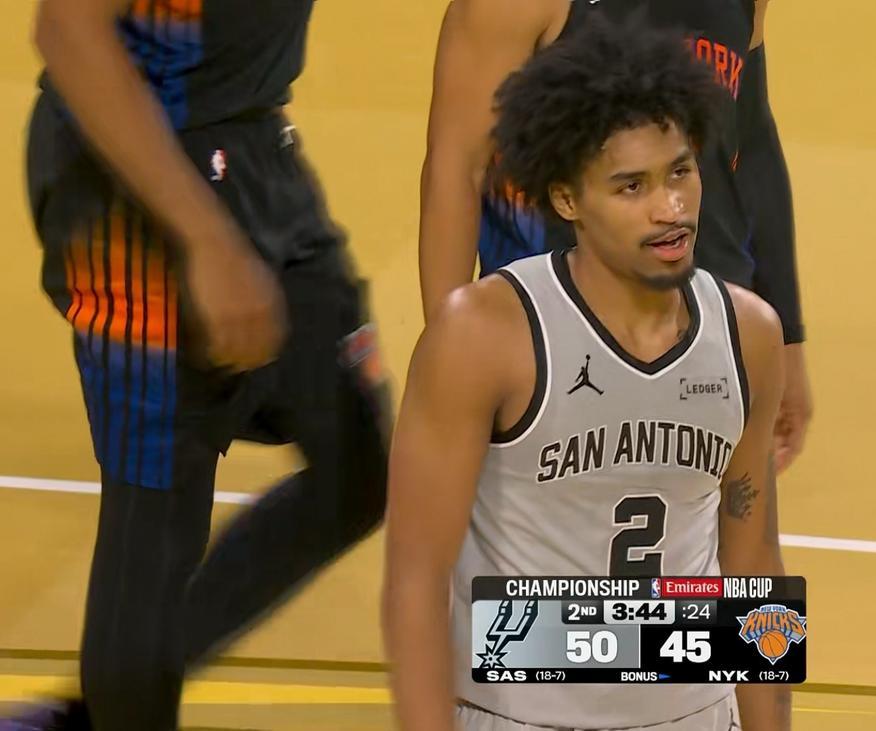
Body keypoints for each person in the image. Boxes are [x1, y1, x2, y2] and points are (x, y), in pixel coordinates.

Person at [383, 17, 791, 730]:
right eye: (631, 186)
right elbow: (415, 583)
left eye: (680, 172)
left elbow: (752, 561)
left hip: (694, 711)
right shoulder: (484, 336)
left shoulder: (749, 333)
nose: (669, 208)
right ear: (567, 199)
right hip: (520, 715)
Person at [7, 0, 389, 728]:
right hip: (134, 175)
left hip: (254, 144)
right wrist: (207, 241)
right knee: (158, 511)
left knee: (357, 470)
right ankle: (122, 695)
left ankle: (116, 693)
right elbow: (67, 28)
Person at [417, 0, 813, 473]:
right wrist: (445, 368)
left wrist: (787, 339)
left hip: (712, 335)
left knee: (715, 521)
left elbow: (751, 137)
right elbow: (457, 169)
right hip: (554, 347)